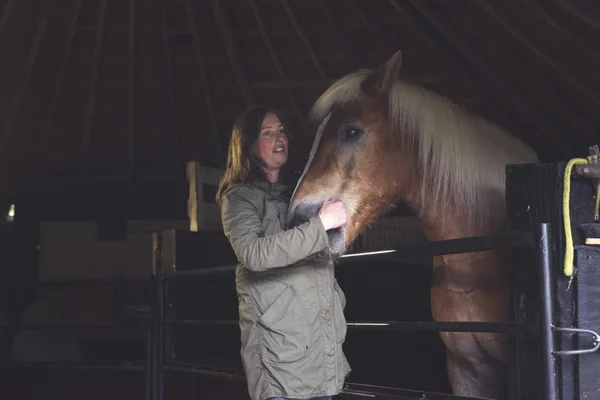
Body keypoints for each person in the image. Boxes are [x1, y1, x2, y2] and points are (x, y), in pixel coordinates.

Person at [216, 105, 351, 400]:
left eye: (281, 132)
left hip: (319, 341)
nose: (279, 138)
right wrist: (321, 224)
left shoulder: (300, 192)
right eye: (267, 133)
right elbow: (253, 253)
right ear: (249, 144)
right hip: (281, 349)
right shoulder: (238, 197)